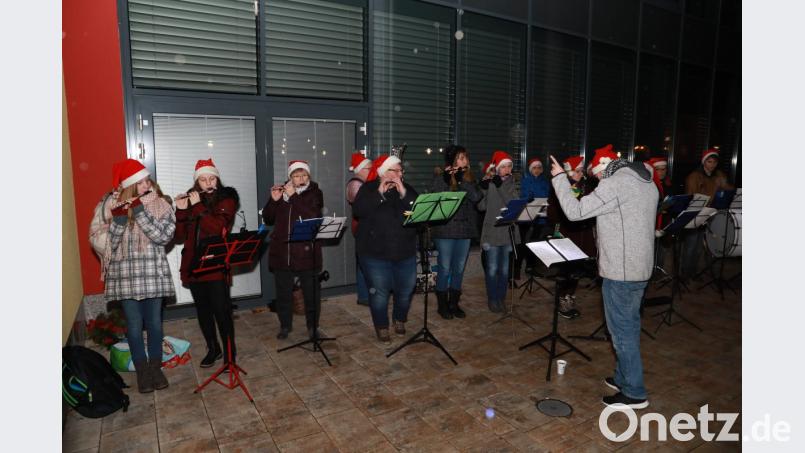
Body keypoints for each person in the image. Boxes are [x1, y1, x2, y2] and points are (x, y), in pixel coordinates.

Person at [549, 143, 658, 409]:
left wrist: (559, 179)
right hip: (640, 268)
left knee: (622, 333)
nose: (597, 180)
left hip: (621, 271)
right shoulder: (647, 182)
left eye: (597, 174)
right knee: (629, 325)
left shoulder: (615, 183)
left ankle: (634, 392)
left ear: (604, 167)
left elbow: (575, 212)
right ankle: (623, 378)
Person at [104, 159, 175, 393]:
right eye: (141, 182)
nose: (147, 185)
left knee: (154, 324)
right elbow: (109, 246)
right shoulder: (113, 205)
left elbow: (163, 237)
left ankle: (155, 368)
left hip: (153, 274)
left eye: (147, 180)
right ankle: (142, 371)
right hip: (127, 277)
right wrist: (119, 221)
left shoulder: (161, 204)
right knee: (134, 327)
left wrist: (140, 213)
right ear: (130, 185)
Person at [174, 159, 240, 368]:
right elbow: (179, 236)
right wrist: (181, 211)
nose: (208, 183)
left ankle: (230, 353)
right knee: (203, 310)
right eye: (203, 180)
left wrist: (197, 207)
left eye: (212, 178)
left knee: (222, 310)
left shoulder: (227, 198)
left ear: (218, 179)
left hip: (215, 263)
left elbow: (216, 227)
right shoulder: (192, 200)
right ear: (197, 183)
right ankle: (213, 348)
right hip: (193, 263)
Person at [352, 154, 418, 342]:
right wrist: (379, 194)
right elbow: (358, 211)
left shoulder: (407, 189)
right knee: (380, 293)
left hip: (405, 251)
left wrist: (404, 192)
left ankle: (400, 318)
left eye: (400, 170)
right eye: (394, 170)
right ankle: (381, 325)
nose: (399, 174)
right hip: (374, 253)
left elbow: (417, 209)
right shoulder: (368, 188)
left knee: (406, 290)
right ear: (382, 172)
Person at [262, 161, 324, 340]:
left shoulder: (315, 193)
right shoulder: (283, 192)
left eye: (304, 175)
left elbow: (312, 215)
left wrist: (294, 196)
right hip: (283, 251)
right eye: (296, 176)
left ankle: (313, 327)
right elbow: (268, 218)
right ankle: (285, 325)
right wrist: (273, 201)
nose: (301, 179)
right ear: (290, 177)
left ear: (309, 176)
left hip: (306, 251)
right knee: (283, 292)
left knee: (311, 293)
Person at [429, 145, 482, 319]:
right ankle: (442, 305)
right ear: (452, 161)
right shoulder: (441, 177)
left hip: (465, 230)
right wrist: (446, 179)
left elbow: (476, 197)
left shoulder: (468, 177)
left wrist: (462, 181)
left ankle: (454, 303)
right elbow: (434, 195)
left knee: (459, 268)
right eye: (460, 158)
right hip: (445, 229)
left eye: (465, 157)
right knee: (444, 268)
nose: (464, 161)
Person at [547, 155, 596, 319]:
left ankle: (570, 297)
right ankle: (562, 300)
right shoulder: (560, 185)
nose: (580, 174)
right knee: (566, 270)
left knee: (577, 271)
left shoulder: (586, 186)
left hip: (582, 234)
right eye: (576, 171)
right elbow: (552, 212)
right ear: (568, 171)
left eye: (581, 171)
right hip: (567, 233)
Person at [478, 151, 519, 313]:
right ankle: (492, 299)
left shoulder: (512, 183)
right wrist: (483, 189)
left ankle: (501, 298)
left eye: (509, 166)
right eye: (503, 166)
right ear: (497, 168)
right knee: (492, 269)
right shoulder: (491, 183)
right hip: (492, 233)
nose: (507, 169)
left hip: (507, 233)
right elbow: (481, 206)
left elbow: (512, 204)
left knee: (504, 270)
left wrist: (500, 186)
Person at [681, 149, 732, 279]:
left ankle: (694, 272)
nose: (712, 165)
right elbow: (692, 196)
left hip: (710, 214)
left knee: (700, 247)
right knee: (691, 246)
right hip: (696, 215)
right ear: (704, 162)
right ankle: (685, 274)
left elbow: (729, 190)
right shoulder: (694, 176)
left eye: (715, 162)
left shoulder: (718, 175)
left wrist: (724, 185)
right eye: (709, 161)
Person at [516, 157, 551, 278]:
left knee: (535, 243)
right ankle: (517, 269)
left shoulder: (545, 182)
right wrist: (530, 198)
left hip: (540, 217)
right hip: (527, 216)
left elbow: (547, 196)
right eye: (534, 168)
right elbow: (524, 196)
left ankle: (530, 267)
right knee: (522, 243)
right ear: (530, 169)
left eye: (539, 167)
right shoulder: (526, 181)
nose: (537, 170)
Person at [346, 152, 372, 307]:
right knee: (364, 262)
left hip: (367, 226)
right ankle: (363, 295)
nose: (372, 170)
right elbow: (362, 206)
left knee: (367, 261)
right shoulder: (355, 184)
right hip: (361, 226)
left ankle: (367, 293)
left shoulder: (366, 182)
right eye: (369, 168)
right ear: (361, 169)